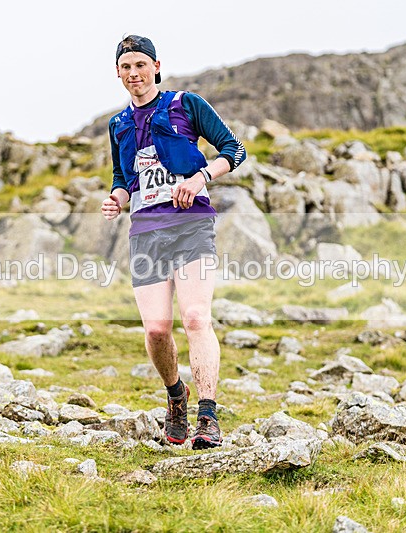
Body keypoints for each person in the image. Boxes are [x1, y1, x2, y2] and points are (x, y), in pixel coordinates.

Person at [101, 35, 246, 449]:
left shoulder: (186, 104)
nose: (134, 73)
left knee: (196, 317)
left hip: (191, 225)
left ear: (156, 66)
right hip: (146, 233)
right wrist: (116, 199)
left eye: (141, 65)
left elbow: (234, 150)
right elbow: (123, 178)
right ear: (117, 73)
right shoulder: (118, 124)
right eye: (126, 67)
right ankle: (176, 396)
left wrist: (200, 177)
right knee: (156, 331)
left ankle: (208, 415)